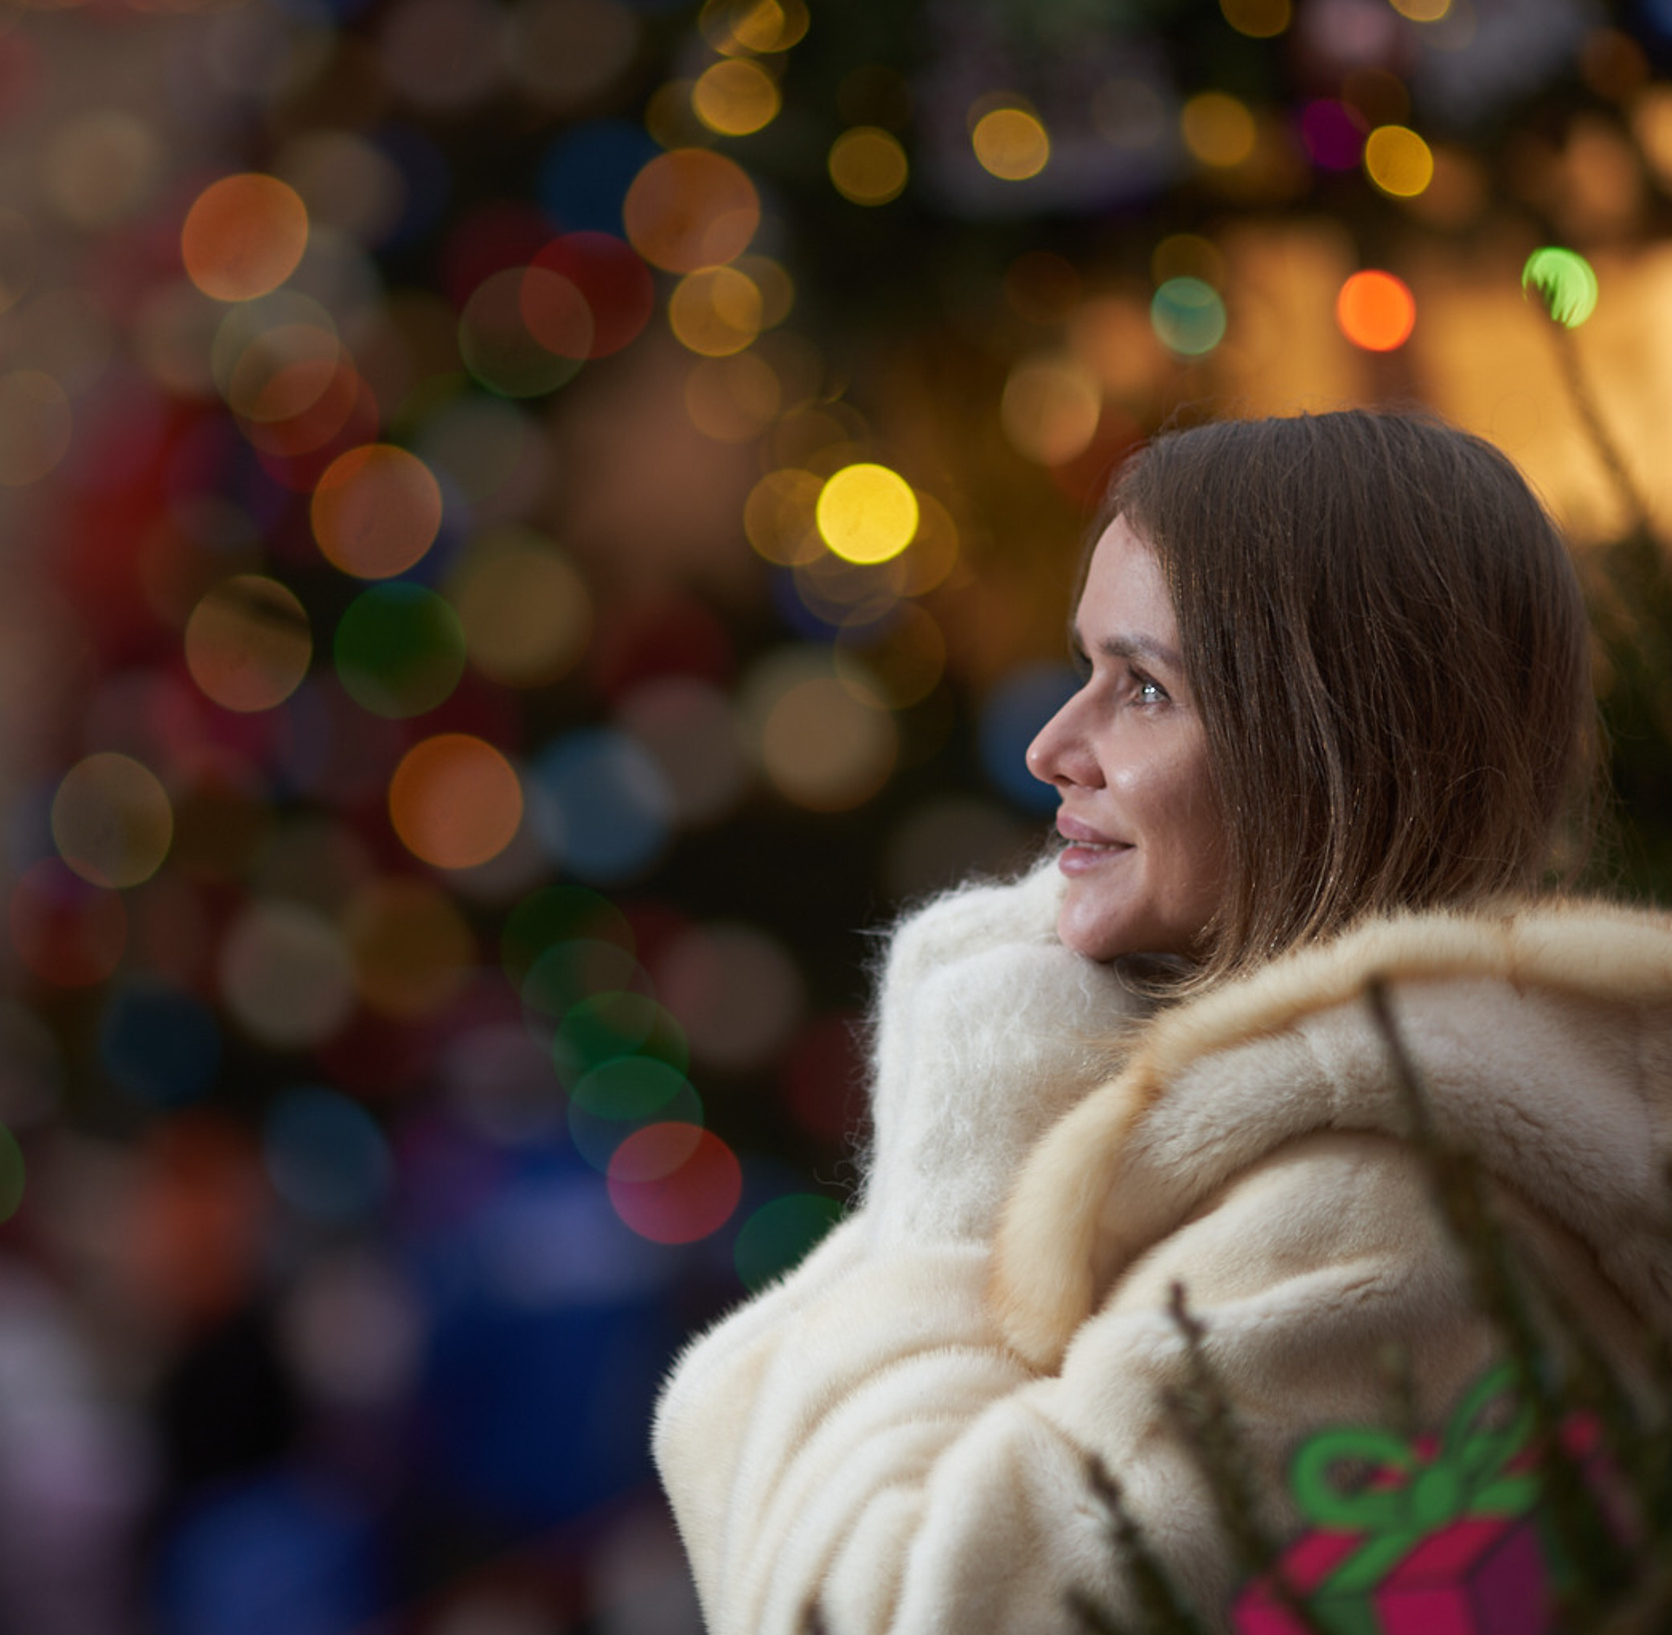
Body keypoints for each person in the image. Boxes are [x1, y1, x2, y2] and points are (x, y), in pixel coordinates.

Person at [652, 411, 1672, 1635]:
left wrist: (961, 1175)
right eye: (1084, 670)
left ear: (1326, 744)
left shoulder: (1380, 1220)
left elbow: (880, 1607)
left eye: (1143, 688)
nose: (1051, 746)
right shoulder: (1360, 1144)